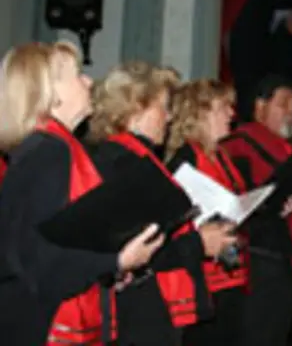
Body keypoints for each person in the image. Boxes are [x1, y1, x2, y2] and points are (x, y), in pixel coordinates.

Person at [0, 43, 164, 345]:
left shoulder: (51, 148)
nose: (89, 82)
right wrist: (116, 261)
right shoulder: (50, 153)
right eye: (78, 75)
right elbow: (41, 262)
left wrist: (108, 268)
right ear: (52, 92)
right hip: (42, 327)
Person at [89, 62, 237, 345]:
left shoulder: (134, 158)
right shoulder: (121, 162)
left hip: (148, 304)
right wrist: (199, 243)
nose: (169, 117)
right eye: (163, 107)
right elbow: (137, 246)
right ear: (136, 109)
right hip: (138, 308)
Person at [218, 74, 292, 346]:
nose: (291, 113)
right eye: (284, 104)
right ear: (260, 107)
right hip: (259, 259)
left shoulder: (289, 150)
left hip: (285, 257)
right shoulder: (239, 146)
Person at [165, 79, 249, 346]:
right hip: (205, 279)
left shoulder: (222, 155)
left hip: (231, 271)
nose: (231, 114)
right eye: (223, 107)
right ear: (200, 113)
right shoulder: (186, 157)